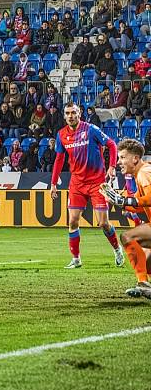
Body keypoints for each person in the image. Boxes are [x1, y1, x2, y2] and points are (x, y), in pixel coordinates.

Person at [51, 103, 123, 269]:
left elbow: (112, 144)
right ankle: (76, 259)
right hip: (77, 183)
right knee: (73, 221)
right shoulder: (61, 135)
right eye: (67, 113)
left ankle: (117, 249)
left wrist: (112, 167)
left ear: (79, 113)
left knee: (103, 223)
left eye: (73, 112)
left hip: (97, 183)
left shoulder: (91, 129)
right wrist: (53, 183)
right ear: (64, 116)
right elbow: (59, 160)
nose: (70, 116)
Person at [99, 139, 151, 299]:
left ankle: (143, 283)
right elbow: (139, 204)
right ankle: (144, 285)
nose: (118, 162)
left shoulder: (144, 172)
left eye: (122, 157)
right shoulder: (141, 173)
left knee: (128, 237)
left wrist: (123, 201)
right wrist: (119, 201)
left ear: (135, 158)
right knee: (146, 260)